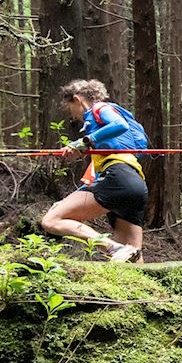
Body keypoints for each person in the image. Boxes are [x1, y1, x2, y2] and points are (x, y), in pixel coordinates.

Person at [40, 79, 148, 263]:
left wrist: (84, 141)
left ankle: (112, 247)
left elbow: (119, 125)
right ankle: (142, 285)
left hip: (118, 177)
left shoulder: (100, 109)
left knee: (51, 220)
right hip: (136, 184)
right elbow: (94, 182)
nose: (73, 116)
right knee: (132, 258)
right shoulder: (106, 146)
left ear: (77, 99)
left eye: (70, 108)